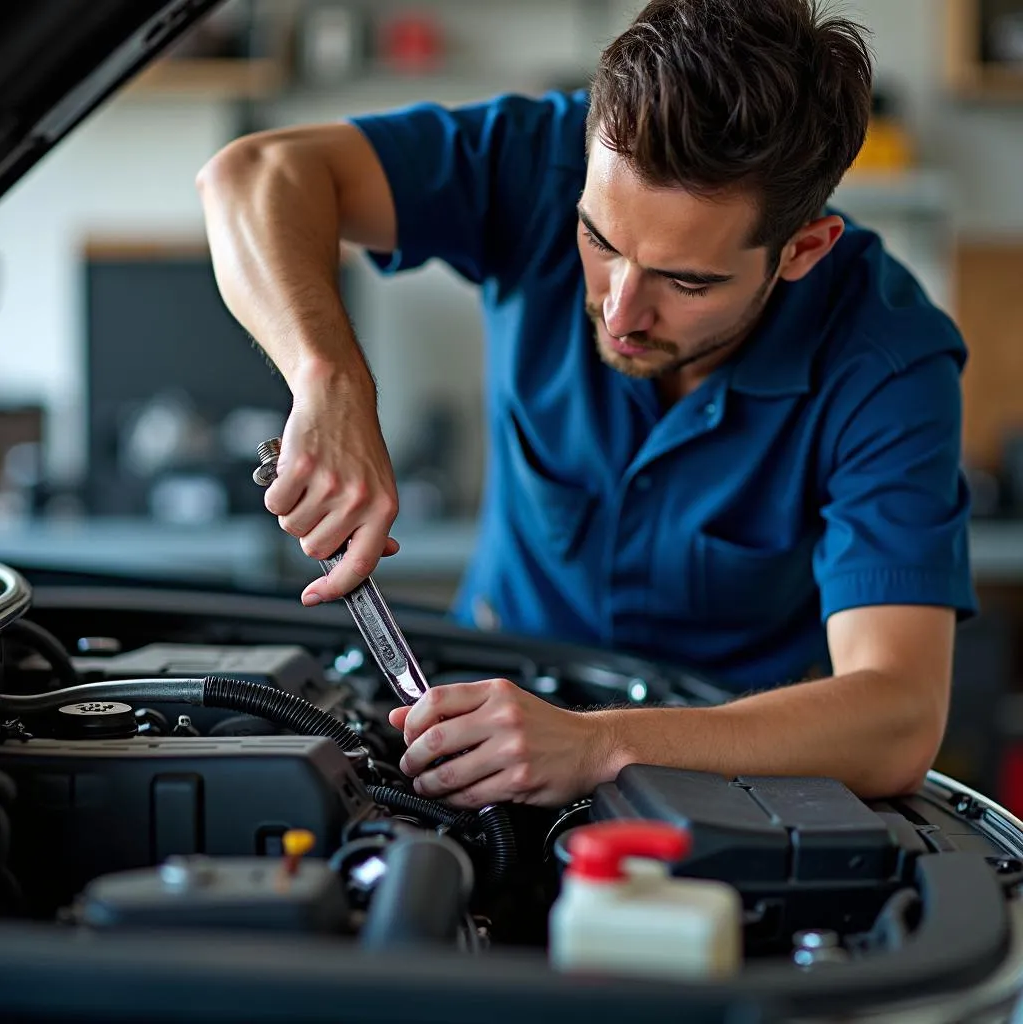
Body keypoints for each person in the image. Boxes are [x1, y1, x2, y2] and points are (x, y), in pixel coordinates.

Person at [197, 0, 976, 810]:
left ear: (802, 251)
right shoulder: (539, 158)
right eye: (599, 242)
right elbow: (250, 175)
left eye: (687, 280)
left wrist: (599, 744)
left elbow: (896, 716)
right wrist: (330, 379)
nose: (621, 308)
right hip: (471, 732)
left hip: (720, 786)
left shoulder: (889, 360)